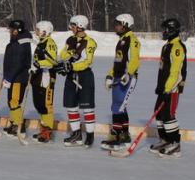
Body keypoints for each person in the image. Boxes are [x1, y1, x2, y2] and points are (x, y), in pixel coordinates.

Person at [101, 14, 141, 151]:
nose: (116, 26)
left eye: (118, 24)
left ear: (125, 24)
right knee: (117, 106)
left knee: (119, 106)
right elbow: (117, 61)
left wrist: (128, 74)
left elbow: (135, 60)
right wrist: (109, 75)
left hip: (128, 78)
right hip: (118, 78)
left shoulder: (132, 40)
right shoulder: (121, 40)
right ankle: (122, 134)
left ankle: (119, 136)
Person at [149, 18, 187, 158]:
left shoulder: (177, 47)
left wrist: (168, 89)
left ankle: (175, 143)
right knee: (158, 114)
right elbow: (163, 70)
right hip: (164, 88)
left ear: (171, 30)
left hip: (172, 89)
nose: (162, 32)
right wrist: (160, 87)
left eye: (165, 29)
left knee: (168, 115)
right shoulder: (166, 46)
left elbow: (176, 73)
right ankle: (164, 140)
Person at [58, 15, 98, 148]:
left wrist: (71, 66)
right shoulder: (71, 39)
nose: (71, 28)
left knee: (87, 106)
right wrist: (70, 51)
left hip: (84, 76)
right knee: (70, 105)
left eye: (73, 25)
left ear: (80, 26)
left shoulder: (90, 42)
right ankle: (77, 135)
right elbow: (63, 55)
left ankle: (90, 135)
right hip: (71, 75)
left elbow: (88, 61)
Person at [1, 19, 32, 136]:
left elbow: (18, 63)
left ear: (16, 30)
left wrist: (9, 77)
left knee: (14, 102)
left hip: (19, 77)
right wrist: (7, 76)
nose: (9, 31)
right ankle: (14, 123)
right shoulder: (16, 41)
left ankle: (20, 125)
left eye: (11, 29)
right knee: (12, 102)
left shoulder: (21, 43)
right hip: (13, 76)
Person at [30, 21, 59, 143]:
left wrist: (38, 64)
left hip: (46, 78)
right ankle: (43, 129)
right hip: (38, 77)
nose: (36, 32)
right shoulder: (41, 43)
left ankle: (47, 131)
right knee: (39, 104)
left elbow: (52, 62)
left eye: (38, 29)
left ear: (44, 31)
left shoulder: (50, 43)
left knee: (46, 105)